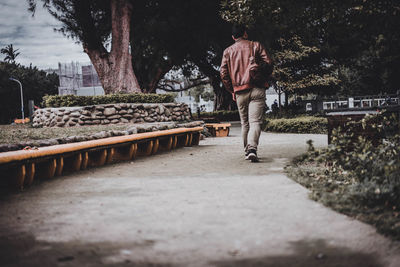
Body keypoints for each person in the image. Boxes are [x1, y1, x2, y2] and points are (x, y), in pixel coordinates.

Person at [220, 24, 272, 162]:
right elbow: (268, 63)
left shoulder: (227, 51)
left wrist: (232, 90)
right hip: (257, 88)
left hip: (239, 92)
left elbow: (223, 74)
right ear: (245, 34)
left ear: (233, 37)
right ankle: (252, 149)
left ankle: (247, 151)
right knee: (255, 121)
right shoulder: (256, 45)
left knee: (245, 123)